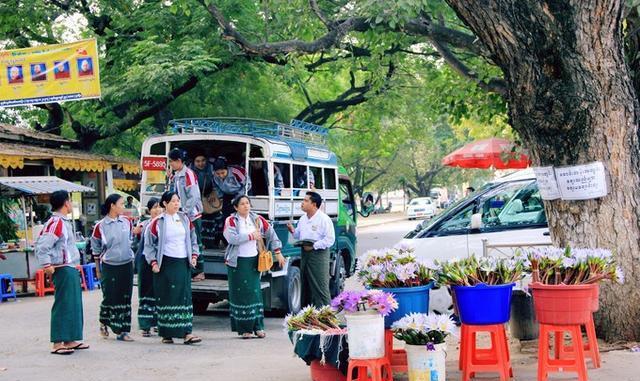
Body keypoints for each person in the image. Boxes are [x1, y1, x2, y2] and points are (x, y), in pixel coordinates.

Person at [144, 191, 202, 345]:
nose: (176, 204)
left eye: (178, 201)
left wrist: (194, 256)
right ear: (165, 204)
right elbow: (149, 245)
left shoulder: (184, 219)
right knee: (167, 297)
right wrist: (154, 263)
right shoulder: (157, 222)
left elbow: (193, 239)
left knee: (184, 297)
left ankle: (186, 332)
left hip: (182, 263)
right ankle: (167, 333)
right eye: (173, 201)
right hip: (166, 264)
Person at [223, 195, 285, 338]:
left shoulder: (257, 219)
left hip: (253, 261)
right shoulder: (231, 220)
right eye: (242, 204)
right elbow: (231, 238)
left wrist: (278, 252)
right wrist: (250, 236)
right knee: (241, 294)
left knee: (255, 293)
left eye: (247, 203)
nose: (246, 206)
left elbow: (271, 234)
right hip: (237, 263)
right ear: (236, 207)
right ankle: (245, 329)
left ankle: (258, 326)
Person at [35, 190, 88, 355]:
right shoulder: (55, 222)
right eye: (70, 201)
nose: (71, 204)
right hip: (62, 268)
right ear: (66, 203)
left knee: (73, 304)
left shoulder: (63, 222)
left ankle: (70, 339)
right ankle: (57, 343)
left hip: (69, 267)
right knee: (63, 304)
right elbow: (43, 245)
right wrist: (46, 264)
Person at [92, 194, 135, 342]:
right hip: (110, 266)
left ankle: (122, 330)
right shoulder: (100, 226)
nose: (123, 207)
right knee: (110, 297)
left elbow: (131, 241)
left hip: (127, 264)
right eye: (121, 204)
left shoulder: (127, 222)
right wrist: (98, 269)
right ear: (112, 206)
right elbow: (96, 249)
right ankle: (104, 321)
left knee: (125, 297)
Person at [287, 191, 335, 308]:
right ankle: (308, 317)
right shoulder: (303, 219)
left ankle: (325, 317)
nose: (302, 203)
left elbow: (330, 239)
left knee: (320, 286)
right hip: (305, 254)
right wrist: (292, 230)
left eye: (305, 201)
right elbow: (298, 235)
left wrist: (314, 246)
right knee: (306, 286)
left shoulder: (323, 219)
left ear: (314, 204)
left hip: (318, 255)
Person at [168, 147, 205, 281]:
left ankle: (200, 271)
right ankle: (191, 270)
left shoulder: (188, 174)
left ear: (179, 161)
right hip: (182, 214)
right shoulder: (177, 174)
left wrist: (184, 210)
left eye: (171, 161)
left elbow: (194, 196)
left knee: (196, 242)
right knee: (186, 242)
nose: (170, 164)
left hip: (191, 214)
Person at [135, 197, 163, 337]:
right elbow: (136, 234)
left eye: (159, 207)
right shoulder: (145, 224)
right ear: (149, 210)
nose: (157, 210)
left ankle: (158, 323)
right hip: (145, 262)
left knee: (159, 292)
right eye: (154, 207)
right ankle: (145, 324)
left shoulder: (166, 223)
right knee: (146, 292)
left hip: (162, 262)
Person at [212, 156, 252, 233]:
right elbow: (215, 187)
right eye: (218, 173)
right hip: (226, 195)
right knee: (226, 217)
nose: (220, 175)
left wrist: (238, 198)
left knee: (240, 216)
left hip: (241, 194)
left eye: (223, 173)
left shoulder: (237, 171)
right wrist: (220, 197)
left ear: (227, 169)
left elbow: (248, 185)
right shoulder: (214, 176)